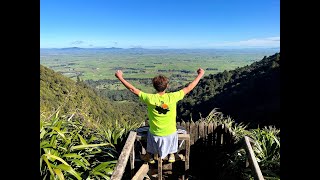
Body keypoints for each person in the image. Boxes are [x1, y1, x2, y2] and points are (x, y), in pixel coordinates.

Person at [115, 68, 205, 163]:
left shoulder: (150, 98)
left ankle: (149, 155)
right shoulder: (173, 97)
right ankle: (172, 154)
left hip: (155, 134)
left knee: (144, 131)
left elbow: (132, 89)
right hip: (170, 134)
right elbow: (189, 87)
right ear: (167, 86)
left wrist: (120, 77)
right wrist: (200, 74)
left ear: (154, 86)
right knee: (182, 130)